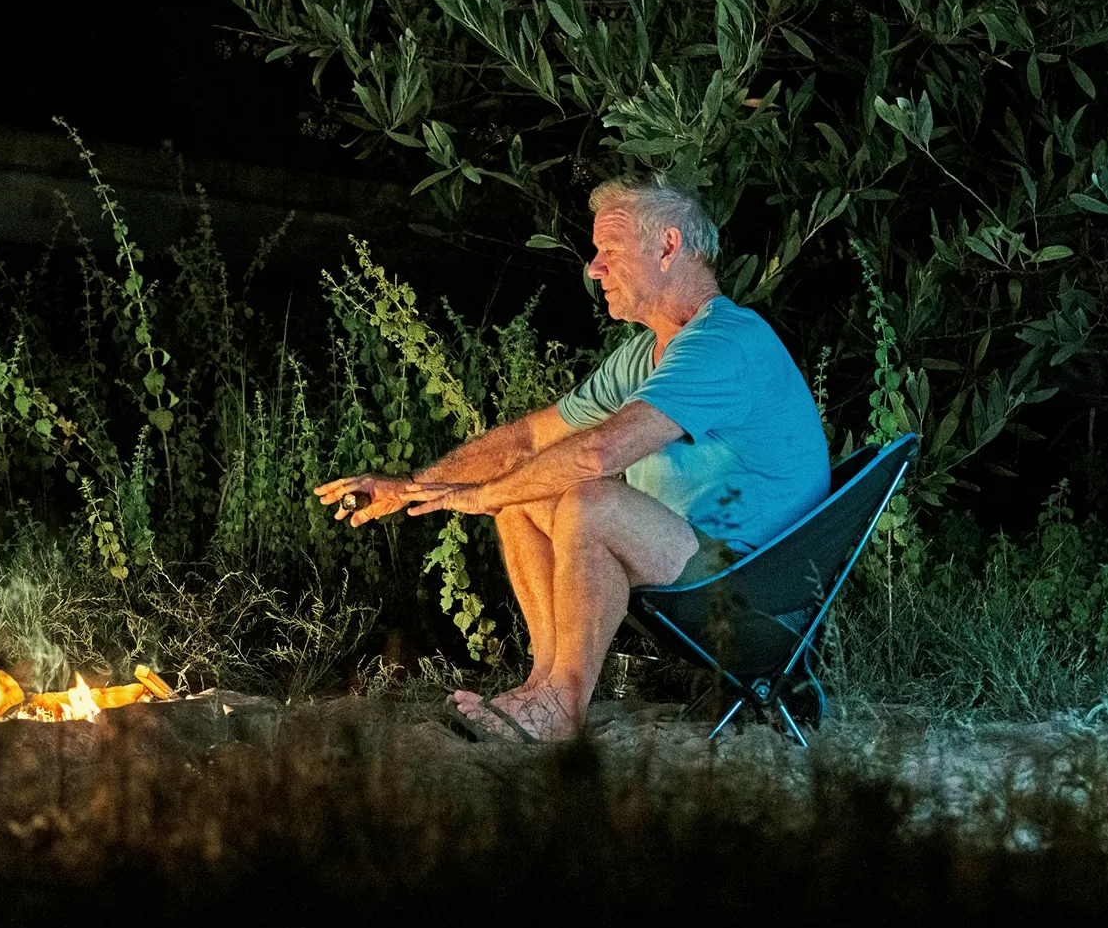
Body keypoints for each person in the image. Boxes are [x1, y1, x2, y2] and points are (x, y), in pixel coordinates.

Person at [316, 175, 829, 741]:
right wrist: (413, 485)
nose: (593, 268)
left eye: (610, 250)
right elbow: (532, 440)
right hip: (696, 563)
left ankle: (563, 704)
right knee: (526, 496)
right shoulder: (646, 354)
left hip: (758, 596)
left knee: (588, 499)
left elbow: (598, 453)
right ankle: (545, 688)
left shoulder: (723, 343)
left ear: (667, 246)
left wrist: (480, 496)